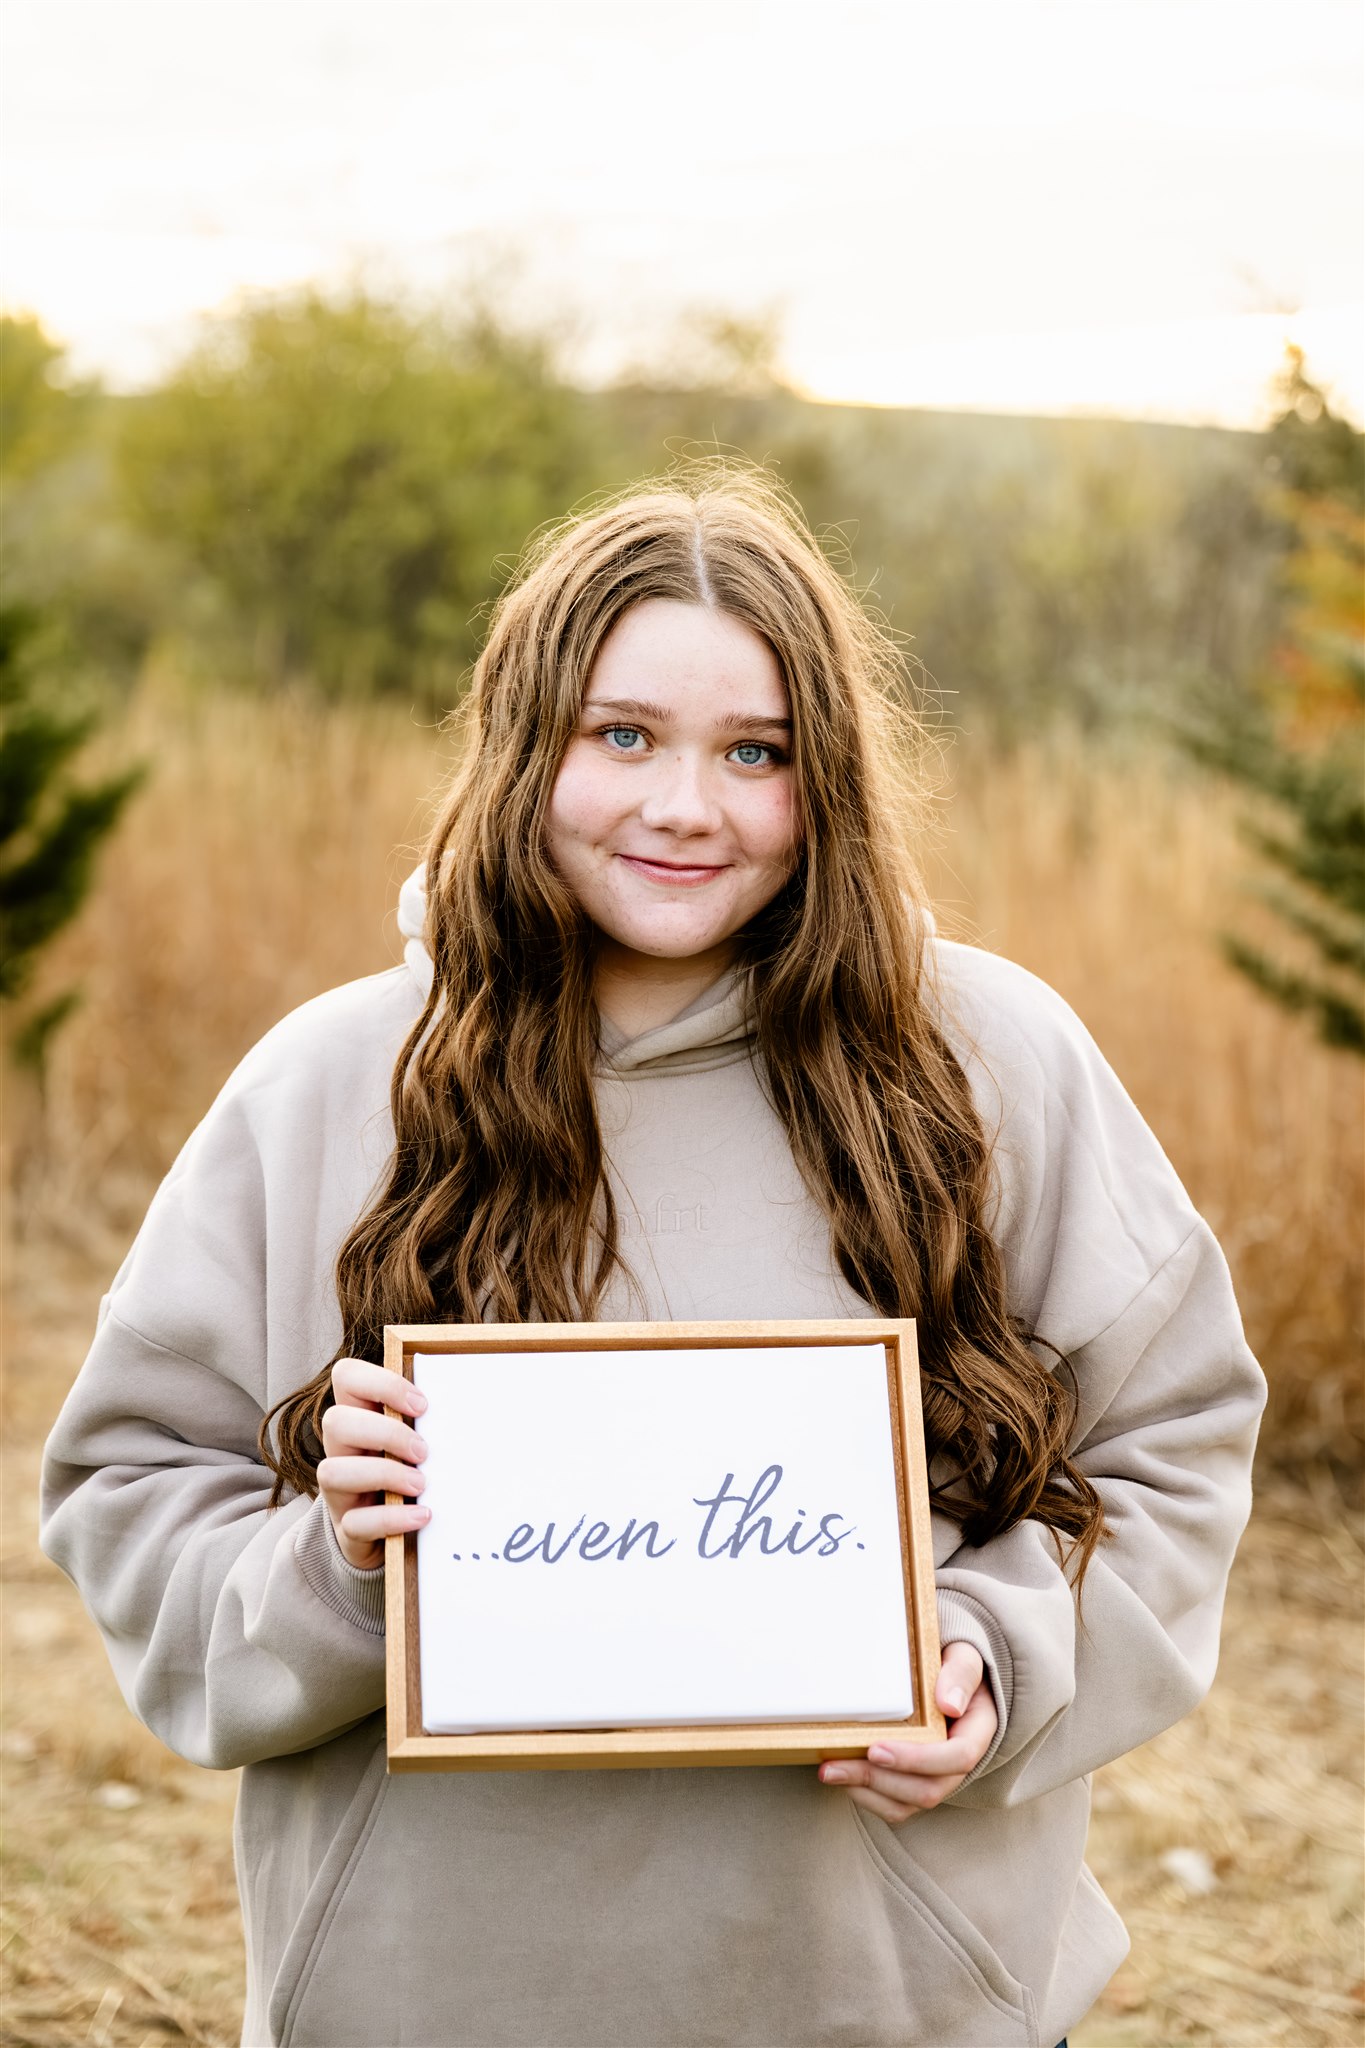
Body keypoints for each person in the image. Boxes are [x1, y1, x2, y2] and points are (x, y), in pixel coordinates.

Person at [41, 469, 1265, 2048]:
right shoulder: (331, 1083)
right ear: (519, 742)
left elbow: (1171, 1451)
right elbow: (134, 1493)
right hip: (431, 1996)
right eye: (621, 736)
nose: (685, 805)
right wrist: (332, 1567)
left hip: (875, 2001)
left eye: (754, 753)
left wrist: (994, 1655)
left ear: (827, 776)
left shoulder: (989, 1062)